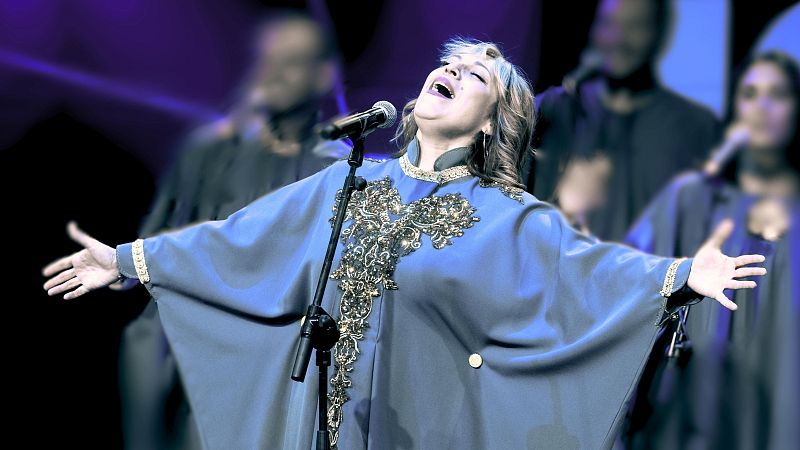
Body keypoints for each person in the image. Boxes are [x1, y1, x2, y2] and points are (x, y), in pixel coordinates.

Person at [43, 39, 765, 449]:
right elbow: (239, 245)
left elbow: (590, 271)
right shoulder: (345, 182)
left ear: (491, 125)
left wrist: (680, 274)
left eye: (477, 73)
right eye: (449, 63)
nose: (452, 69)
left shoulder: (509, 215)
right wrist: (130, 261)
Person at [116, 11, 349, 450]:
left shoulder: (333, 166)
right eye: (267, 59)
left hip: (267, 335)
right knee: (145, 344)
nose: (273, 72)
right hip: (182, 320)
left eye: (292, 61)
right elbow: (156, 235)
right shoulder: (208, 150)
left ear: (323, 75)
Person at [622, 51, 800, 449]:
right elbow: (627, 282)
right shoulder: (689, 199)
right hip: (691, 417)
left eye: (778, 94)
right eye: (750, 93)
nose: (762, 106)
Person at [527, 0, 720, 241]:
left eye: (635, 26)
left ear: (661, 33)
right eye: (608, 24)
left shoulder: (697, 127)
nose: (618, 38)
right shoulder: (555, 110)